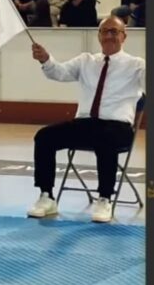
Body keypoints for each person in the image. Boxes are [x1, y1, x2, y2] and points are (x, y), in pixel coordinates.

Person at [28, 16, 145, 222]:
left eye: (114, 32)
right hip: (85, 124)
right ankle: (46, 196)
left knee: (106, 138)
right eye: (105, 31)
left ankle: (105, 198)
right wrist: (46, 59)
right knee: (44, 136)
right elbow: (60, 73)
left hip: (118, 127)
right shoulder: (85, 60)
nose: (109, 36)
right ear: (99, 36)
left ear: (124, 37)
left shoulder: (137, 65)